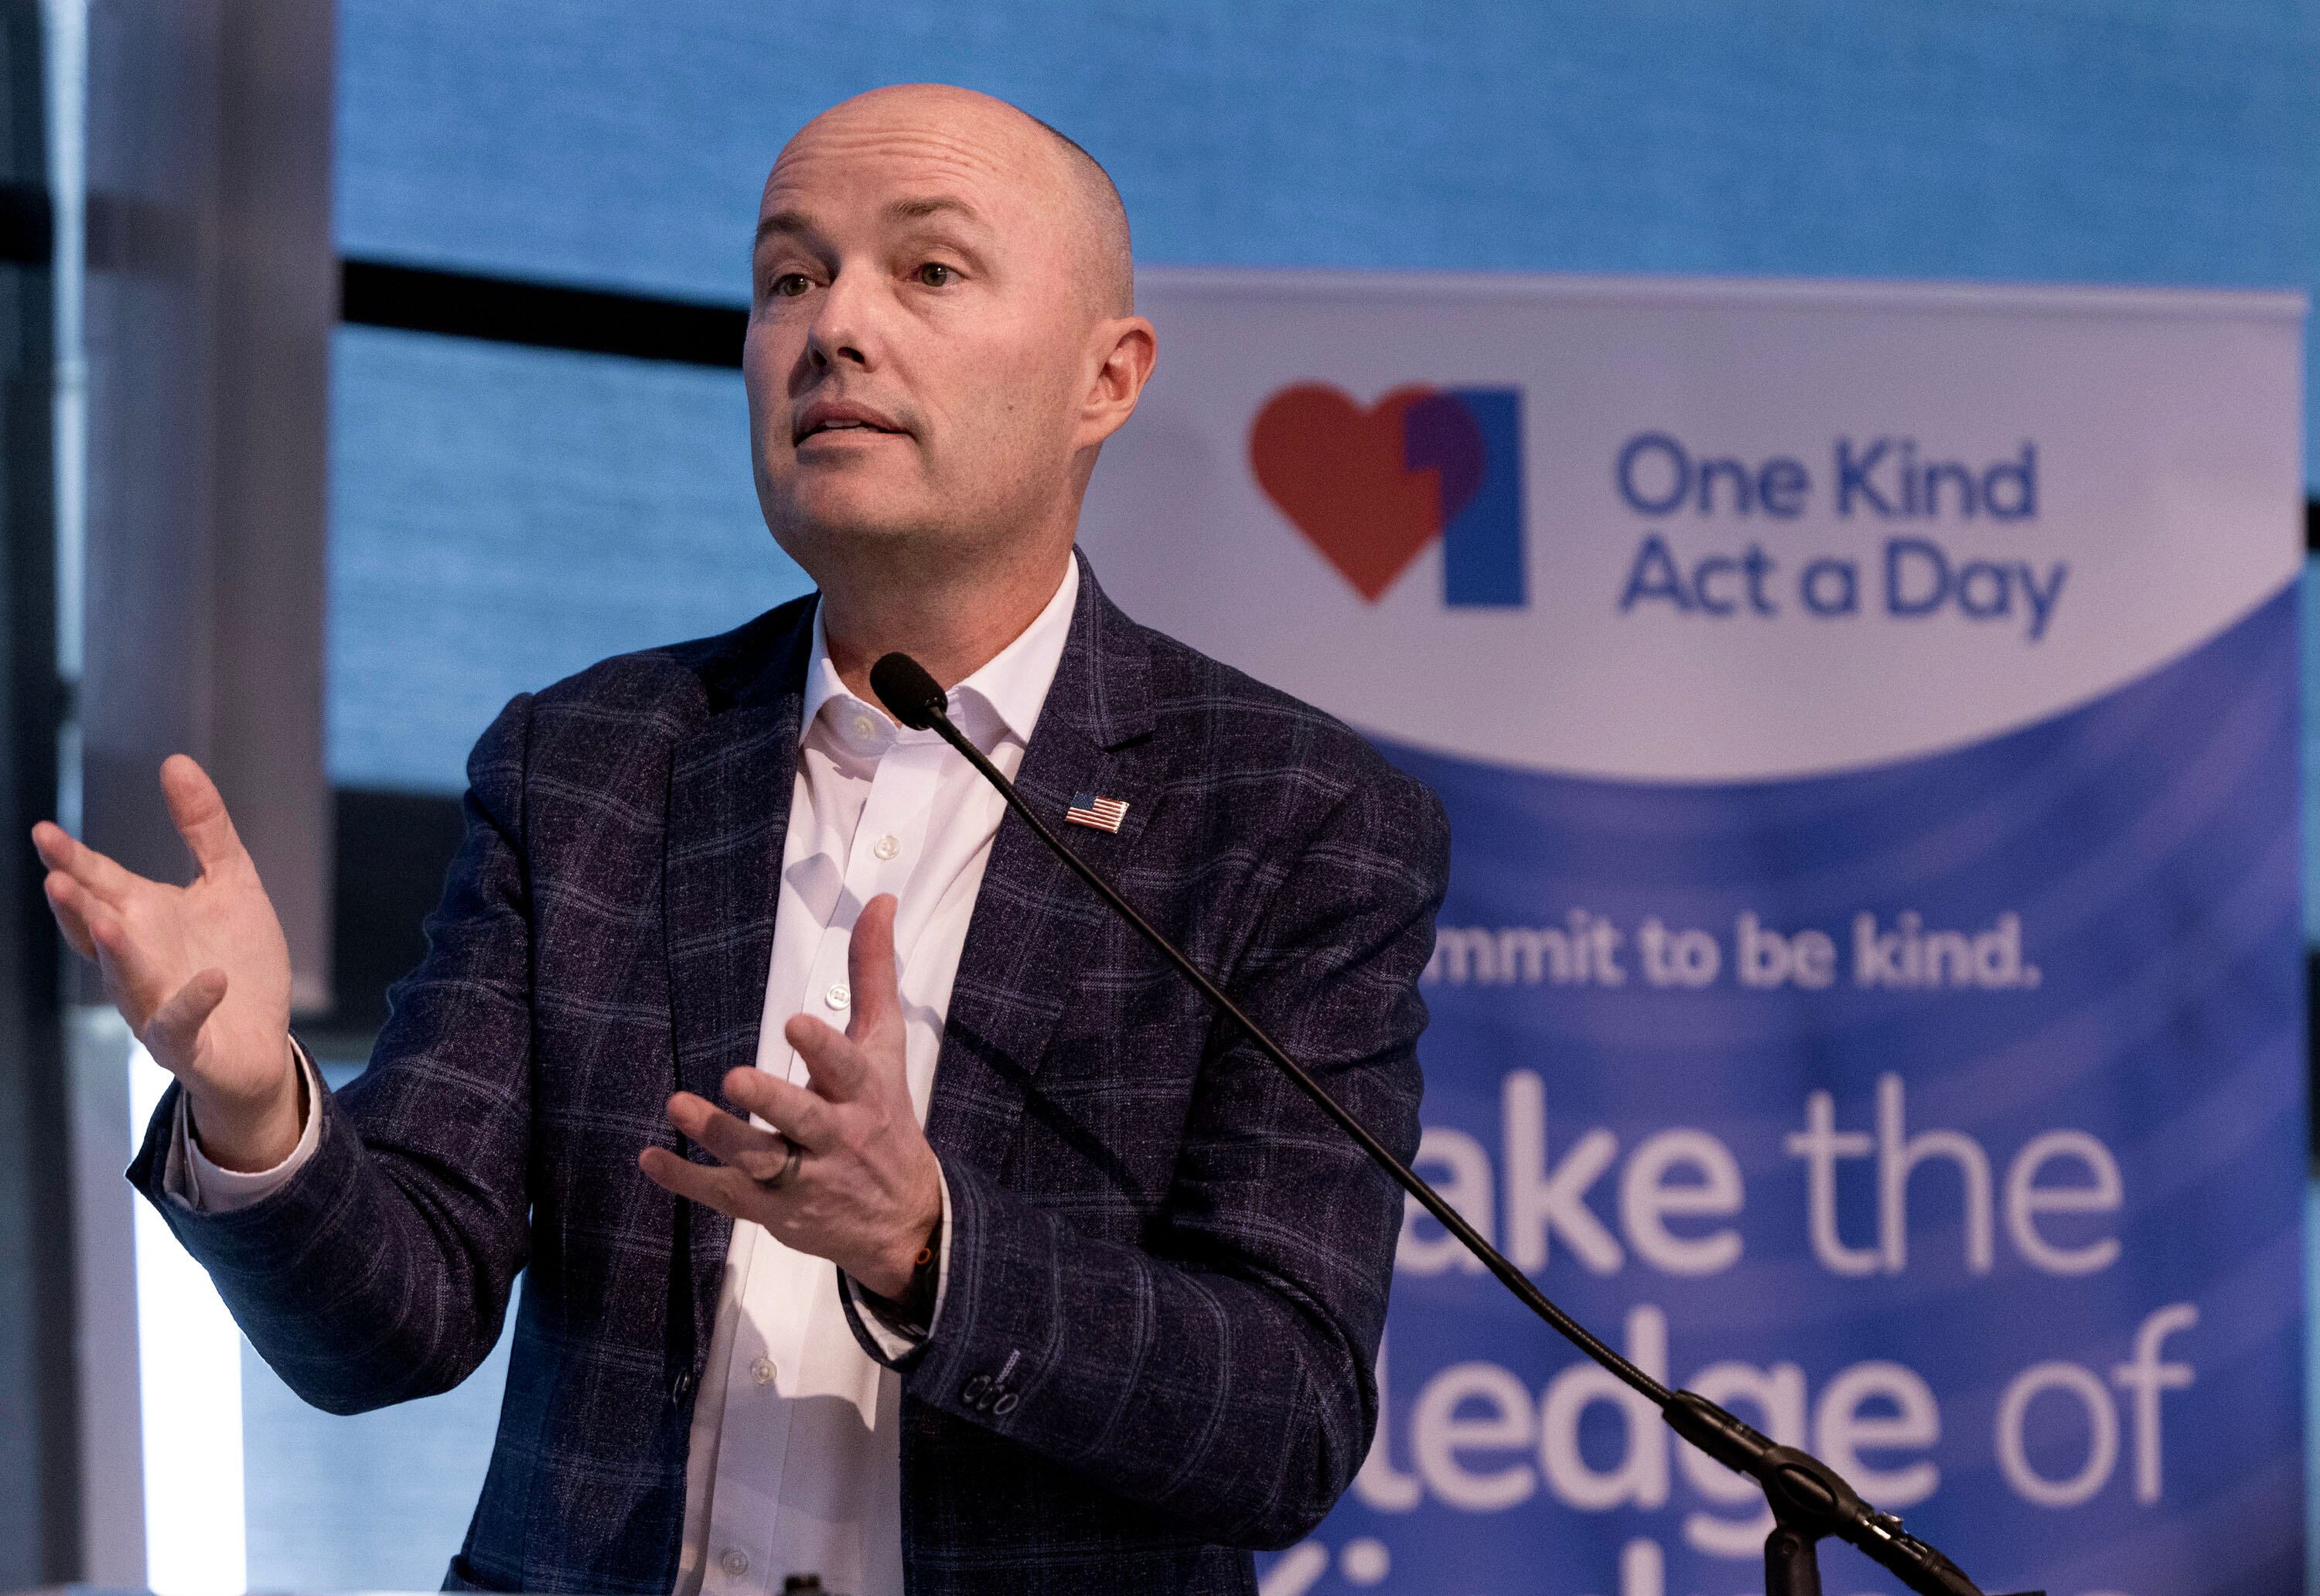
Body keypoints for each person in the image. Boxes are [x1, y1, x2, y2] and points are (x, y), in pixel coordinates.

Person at [32, 84, 1448, 1596]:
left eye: (930, 270)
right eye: (788, 277)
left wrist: (925, 1243)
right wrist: (256, 1106)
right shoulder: (589, 764)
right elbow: (391, 1329)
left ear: (1108, 379)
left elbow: (1284, 1419)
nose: (835, 327)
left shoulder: (1291, 816)